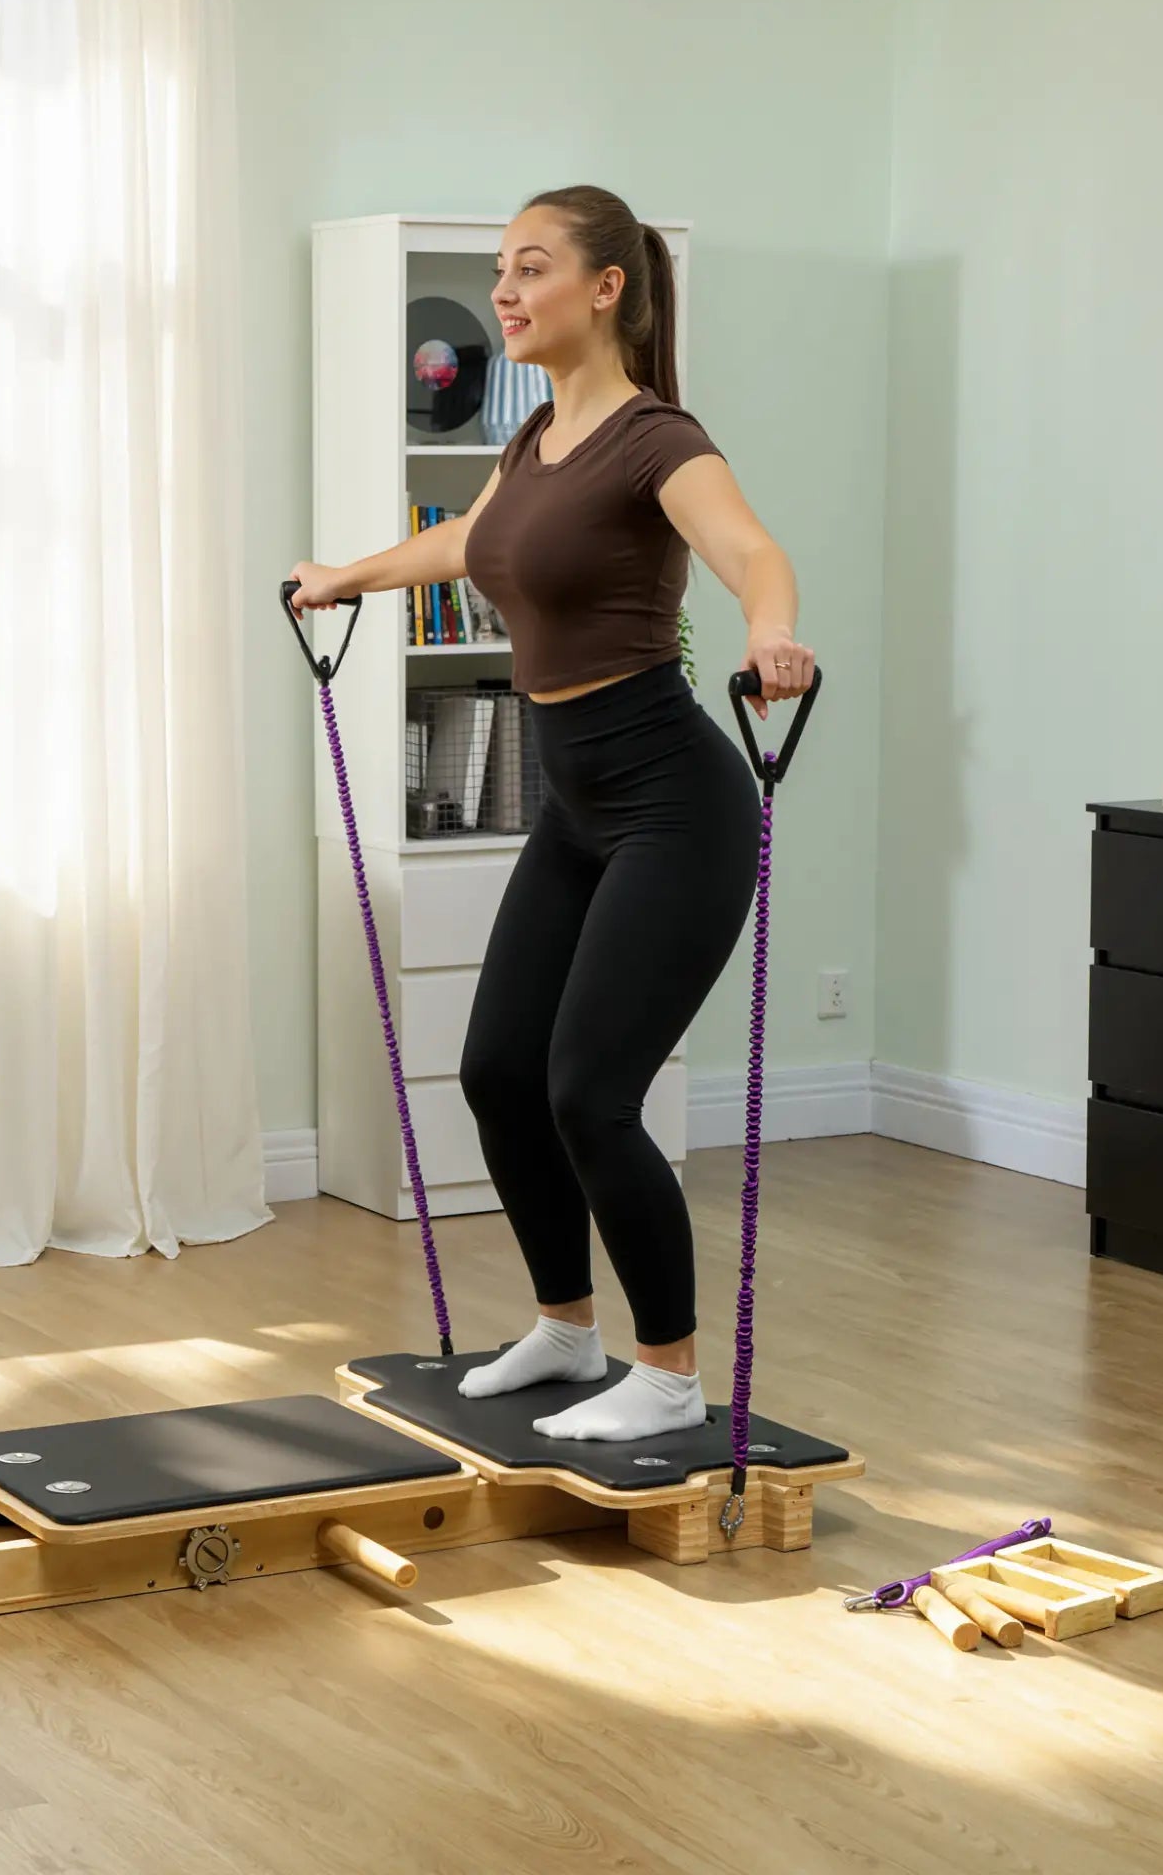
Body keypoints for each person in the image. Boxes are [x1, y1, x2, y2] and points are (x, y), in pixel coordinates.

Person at [286, 184, 815, 1442]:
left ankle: (669, 1370)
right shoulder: (533, 444)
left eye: (530, 270)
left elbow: (749, 550)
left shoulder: (656, 440)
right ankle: (567, 1329)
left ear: (607, 287)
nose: (505, 297)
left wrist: (773, 631)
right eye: (498, 276)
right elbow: (470, 540)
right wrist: (346, 575)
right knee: (494, 1072)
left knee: (589, 1092)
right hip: (573, 808)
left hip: (673, 808)